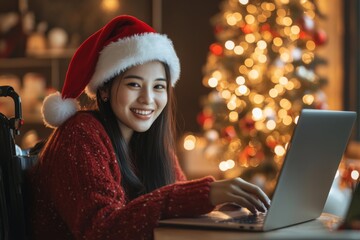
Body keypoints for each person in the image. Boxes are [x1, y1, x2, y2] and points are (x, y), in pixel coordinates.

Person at [26, 15, 270, 240]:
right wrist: (204, 193)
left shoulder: (150, 141)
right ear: (104, 90)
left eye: (159, 87)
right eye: (134, 84)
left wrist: (219, 208)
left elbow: (173, 201)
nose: (148, 99)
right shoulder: (80, 133)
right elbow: (102, 230)